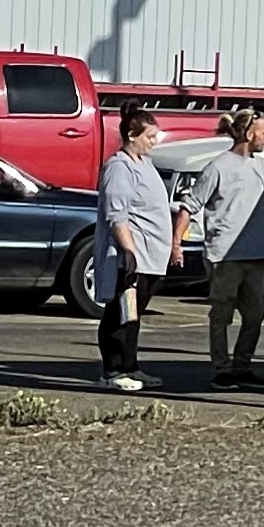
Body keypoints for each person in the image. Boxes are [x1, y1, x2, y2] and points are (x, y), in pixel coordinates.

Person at [192, 109, 264, 389]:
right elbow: (191, 204)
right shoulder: (219, 167)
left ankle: (242, 366)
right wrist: (175, 244)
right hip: (225, 256)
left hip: (257, 256)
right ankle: (222, 368)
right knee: (221, 314)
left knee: (255, 314)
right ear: (249, 134)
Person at [93, 108, 175, 392]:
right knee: (120, 314)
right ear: (131, 135)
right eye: (149, 137)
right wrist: (129, 252)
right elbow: (117, 215)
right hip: (131, 259)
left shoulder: (145, 164)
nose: (154, 142)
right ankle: (113, 370)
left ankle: (130, 366)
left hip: (152, 257)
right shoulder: (119, 167)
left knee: (134, 314)